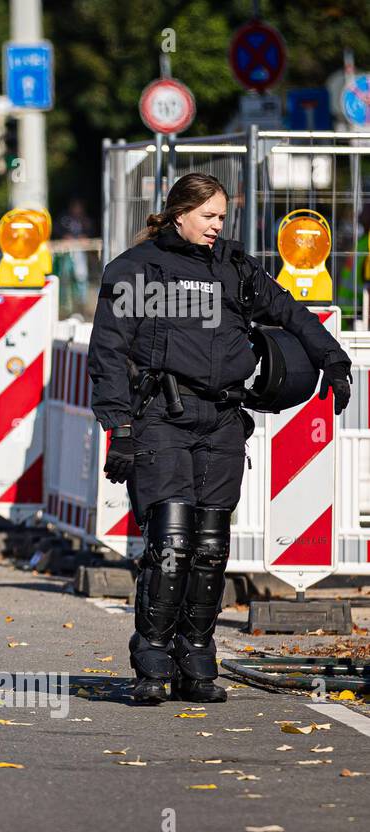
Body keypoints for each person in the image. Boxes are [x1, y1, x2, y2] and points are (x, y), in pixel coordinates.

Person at [88, 173, 351, 705]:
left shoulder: (232, 266)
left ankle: (197, 662)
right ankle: (152, 664)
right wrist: (119, 429)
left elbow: (289, 311)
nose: (216, 226)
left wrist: (333, 359)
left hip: (223, 418)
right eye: (208, 216)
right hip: (160, 415)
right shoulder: (135, 271)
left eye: (221, 218)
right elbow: (108, 353)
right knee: (171, 541)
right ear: (178, 213)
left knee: (210, 547)